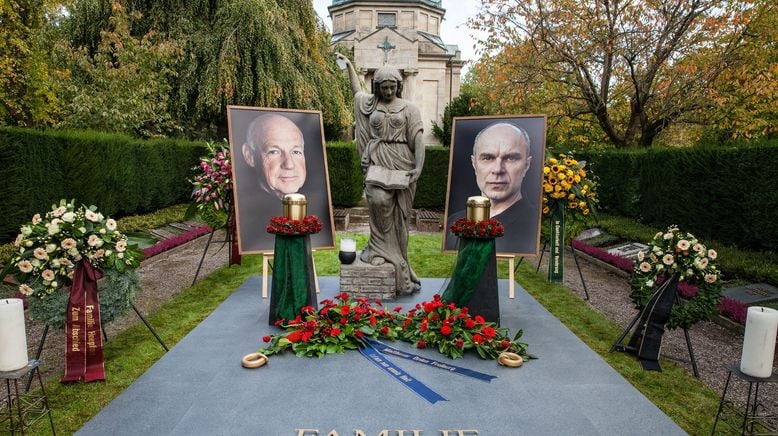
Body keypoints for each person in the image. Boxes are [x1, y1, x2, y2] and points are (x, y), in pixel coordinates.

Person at [337, 53, 424, 295]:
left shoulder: (410, 109)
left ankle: (397, 258)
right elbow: (357, 94)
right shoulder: (371, 104)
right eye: (383, 87)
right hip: (377, 159)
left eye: (392, 87)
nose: (388, 91)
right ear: (377, 87)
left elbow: (417, 139)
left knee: (400, 218)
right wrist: (350, 68)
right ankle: (378, 248)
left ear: (399, 85)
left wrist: (418, 167)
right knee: (377, 199)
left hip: (402, 162)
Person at [446, 122, 539, 254]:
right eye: (488, 158)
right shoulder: (454, 222)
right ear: (474, 163)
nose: (497, 170)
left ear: (526, 165)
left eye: (511, 158)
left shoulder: (534, 225)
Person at [241, 113, 306, 200]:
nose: (289, 165)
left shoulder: (317, 205)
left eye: (296, 152)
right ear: (249, 156)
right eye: (274, 152)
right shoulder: (246, 206)